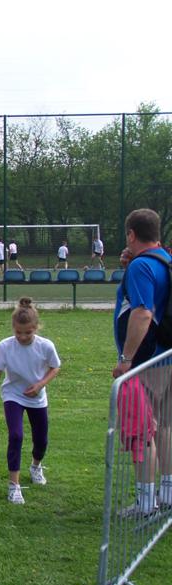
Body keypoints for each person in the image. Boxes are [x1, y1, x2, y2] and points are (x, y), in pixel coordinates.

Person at [112, 208, 172, 514]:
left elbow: (143, 312)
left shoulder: (142, 266)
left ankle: (146, 502)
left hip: (146, 362)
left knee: (142, 431)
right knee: (165, 427)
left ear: (131, 234)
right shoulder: (166, 259)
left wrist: (127, 359)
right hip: (167, 357)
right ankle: (168, 494)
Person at [0, 297, 61, 504]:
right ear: (13, 328)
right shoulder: (5, 346)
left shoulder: (45, 346)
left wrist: (40, 385)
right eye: (18, 332)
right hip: (13, 395)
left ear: (36, 328)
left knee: (41, 440)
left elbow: (55, 367)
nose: (22, 337)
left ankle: (36, 466)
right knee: (16, 436)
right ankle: (14, 485)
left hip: (36, 397)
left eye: (28, 332)